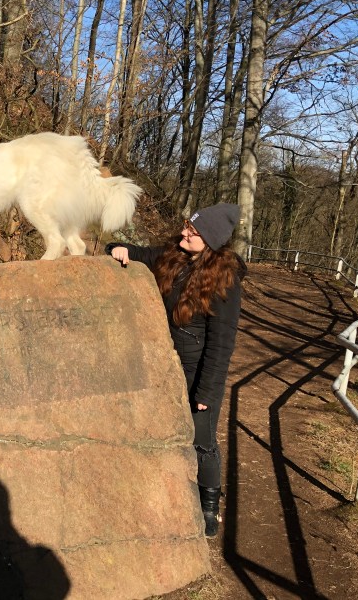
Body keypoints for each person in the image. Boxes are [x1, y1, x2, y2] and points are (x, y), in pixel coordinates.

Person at [107, 203, 245, 537]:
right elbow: (140, 253)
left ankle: (209, 506)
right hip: (167, 365)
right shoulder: (174, 256)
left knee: (202, 440)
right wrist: (117, 248)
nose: (184, 233)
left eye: (192, 232)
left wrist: (206, 392)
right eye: (187, 225)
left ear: (210, 240)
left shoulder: (224, 279)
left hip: (199, 372)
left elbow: (221, 344)